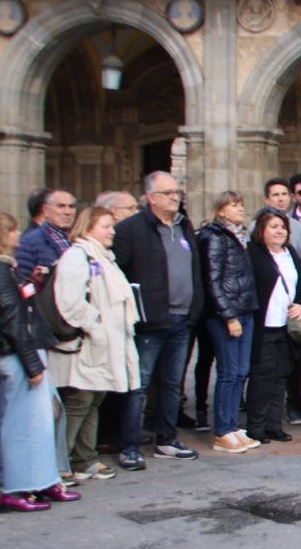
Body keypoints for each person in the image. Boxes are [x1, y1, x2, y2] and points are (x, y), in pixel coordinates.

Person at [0, 208, 77, 512]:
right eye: (10, 230)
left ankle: (43, 480)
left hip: (23, 351)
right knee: (24, 423)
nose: (17, 235)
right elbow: (13, 320)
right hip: (17, 353)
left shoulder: (1, 268)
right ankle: (17, 487)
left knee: (41, 421)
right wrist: (32, 364)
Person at [111, 172, 203, 469]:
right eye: (168, 193)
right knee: (139, 384)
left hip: (182, 318)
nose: (175, 197)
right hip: (150, 322)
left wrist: (196, 307)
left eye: (177, 192)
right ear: (151, 197)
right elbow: (119, 274)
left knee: (172, 383)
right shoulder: (131, 229)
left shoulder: (183, 225)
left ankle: (166, 438)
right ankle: (130, 444)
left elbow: (195, 268)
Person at [49, 205, 139, 479]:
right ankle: (61, 462)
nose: (112, 231)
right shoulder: (77, 256)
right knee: (79, 401)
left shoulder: (104, 257)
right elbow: (70, 302)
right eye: (106, 226)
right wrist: (96, 329)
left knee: (94, 400)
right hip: (87, 345)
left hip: (106, 344)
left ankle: (84, 458)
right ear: (88, 228)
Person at [197, 192, 260, 453]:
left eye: (241, 204)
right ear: (220, 211)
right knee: (229, 372)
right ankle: (223, 430)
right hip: (227, 314)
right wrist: (229, 316)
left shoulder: (238, 236)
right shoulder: (214, 237)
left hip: (246, 309)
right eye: (234, 205)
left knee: (241, 371)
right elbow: (212, 280)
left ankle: (233, 425)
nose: (240, 209)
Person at [244, 210, 301, 444]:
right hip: (264, 326)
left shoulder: (290, 252)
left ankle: (274, 424)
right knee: (262, 377)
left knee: (281, 376)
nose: (279, 231)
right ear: (262, 231)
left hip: (286, 326)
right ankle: (256, 426)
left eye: (282, 227)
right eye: (273, 226)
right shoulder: (253, 254)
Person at [14, 189, 76, 285]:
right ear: (46, 210)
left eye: (71, 206)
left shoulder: (79, 239)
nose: (67, 212)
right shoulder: (30, 242)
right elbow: (22, 283)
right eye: (60, 206)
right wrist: (39, 282)